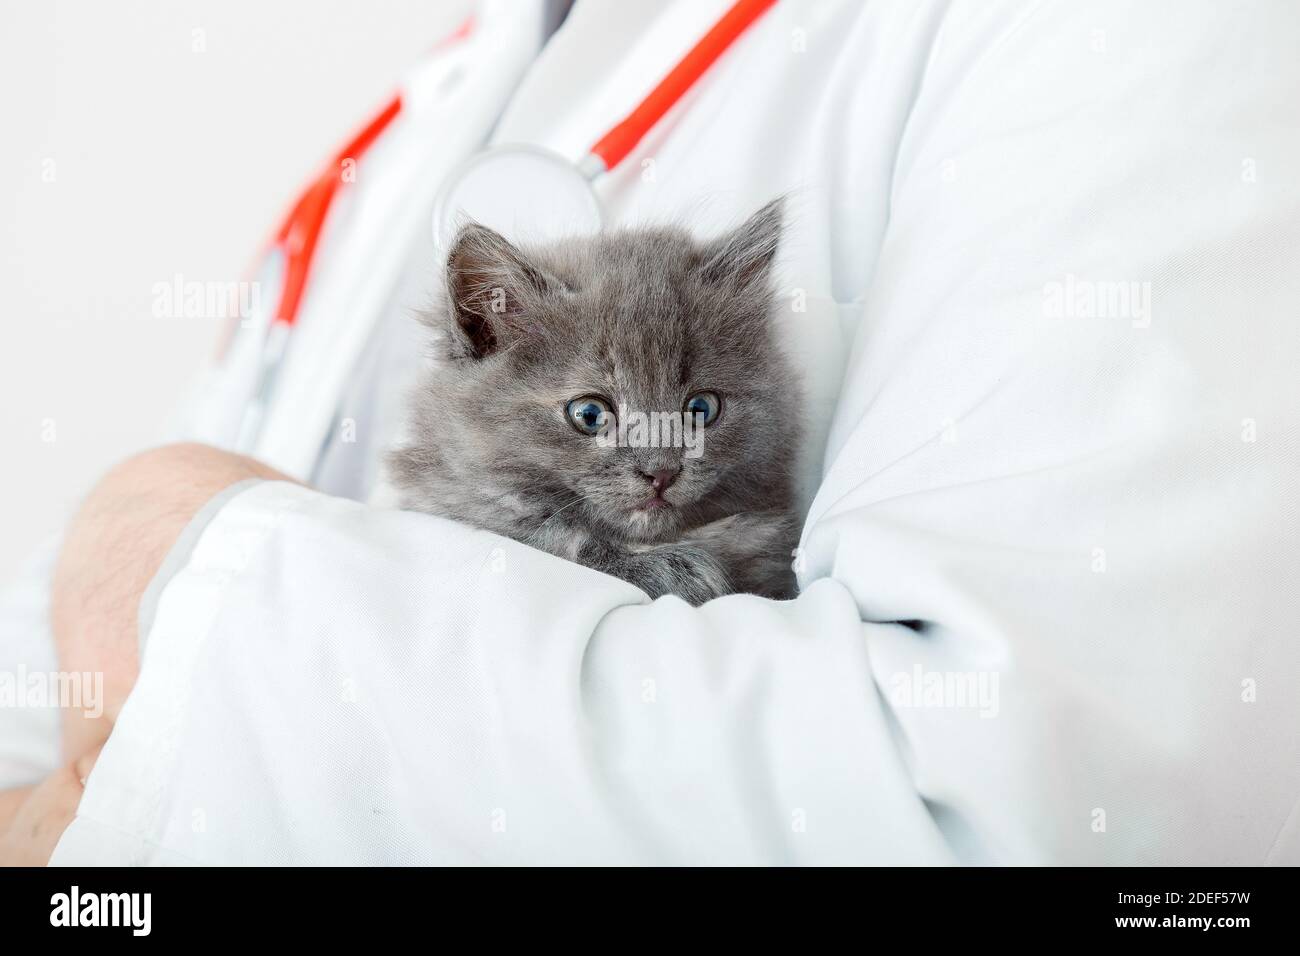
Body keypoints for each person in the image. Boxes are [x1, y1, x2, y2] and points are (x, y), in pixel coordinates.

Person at [2, 0, 1298, 865]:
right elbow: (68, 685)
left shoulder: (1122, 31)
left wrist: (201, 571)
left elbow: (1021, 803)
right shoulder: (453, 89)